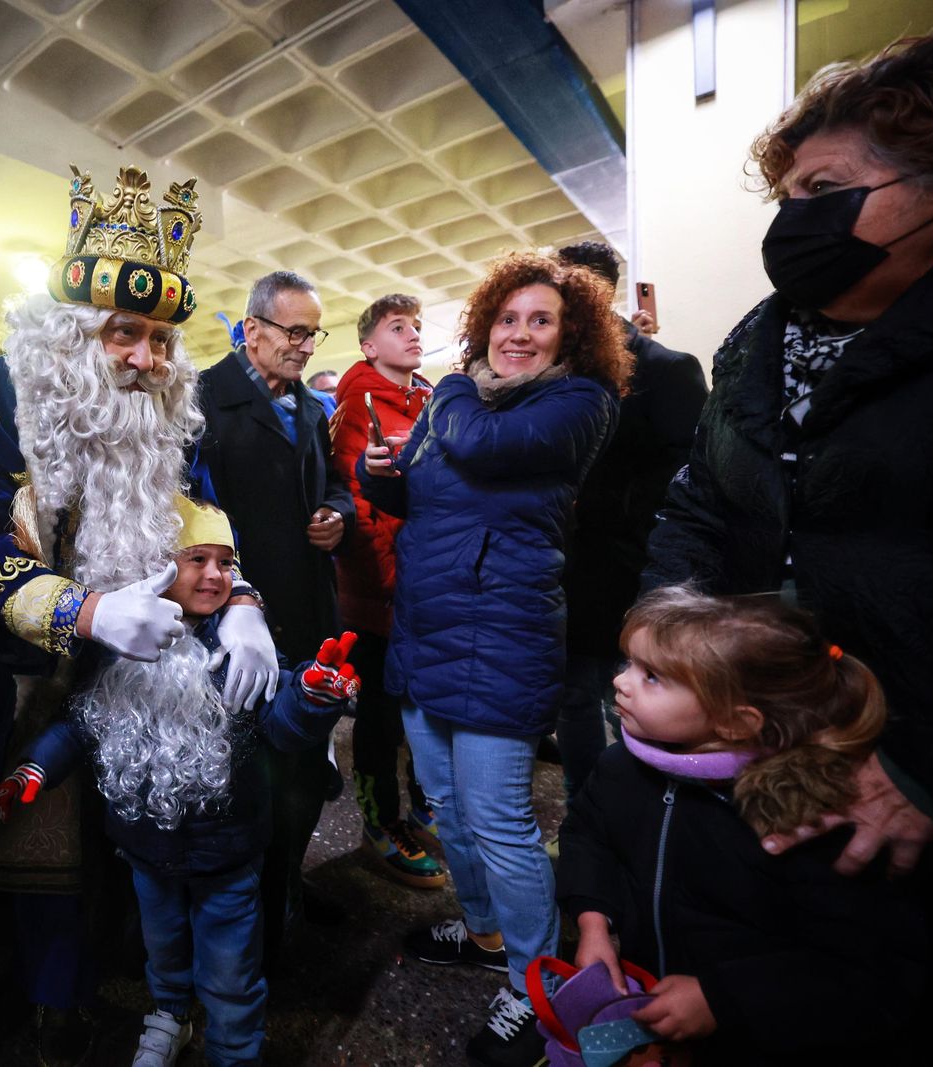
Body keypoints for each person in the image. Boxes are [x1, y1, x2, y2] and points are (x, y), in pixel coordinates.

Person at [0, 162, 278, 1065]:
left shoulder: (170, 414)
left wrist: (238, 600)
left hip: (150, 664)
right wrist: (80, 614)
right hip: (28, 668)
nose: (147, 360)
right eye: (126, 333)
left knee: (155, 834)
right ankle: (52, 1001)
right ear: (73, 331)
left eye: (161, 339)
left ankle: (154, 982)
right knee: (41, 839)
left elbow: (206, 524)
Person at [641, 23, 933, 919]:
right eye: (787, 195)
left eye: (826, 189)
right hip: (770, 735)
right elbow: (700, 498)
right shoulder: (759, 338)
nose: (795, 219)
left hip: (908, 774)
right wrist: (664, 643)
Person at [361, 251, 629, 1067]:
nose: (518, 334)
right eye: (507, 318)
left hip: (502, 635)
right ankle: (482, 932)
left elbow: (475, 448)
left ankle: (531, 980)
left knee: (502, 821)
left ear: (569, 335)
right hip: (430, 623)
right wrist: (383, 479)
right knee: (444, 804)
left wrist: (444, 391)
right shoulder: (467, 401)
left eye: (539, 320)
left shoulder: (578, 400)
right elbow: (428, 485)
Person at [0, 500, 360, 1067]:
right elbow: (81, 724)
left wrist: (311, 697)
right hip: (144, 850)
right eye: (197, 559)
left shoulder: (237, 651)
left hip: (228, 853)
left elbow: (281, 728)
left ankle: (235, 1047)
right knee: (162, 949)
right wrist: (34, 769)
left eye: (226, 564)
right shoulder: (119, 648)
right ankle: (168, 1015)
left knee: (232, 966)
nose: (215, 576)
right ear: (157, 568)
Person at [559, 587, 933, 1064]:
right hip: (652, 1017)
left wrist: (722, 999)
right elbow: (588, 835)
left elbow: (867, 973)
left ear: (735, 722)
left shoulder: (802, 817)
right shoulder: (619, 767)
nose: (620, 682)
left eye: (651, 676)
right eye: (628, 663)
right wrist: (593, 924)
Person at [192, 269, 357, 959]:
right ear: (252, 330)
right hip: (238, 620)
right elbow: (191, 514)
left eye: (313, 333)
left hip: (307, 606)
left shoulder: (311, 408)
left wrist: (337, 518)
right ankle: (247, 921)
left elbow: (338, 487)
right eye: (294, 331)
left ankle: (287, 884)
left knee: (301, 773)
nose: (305, 346)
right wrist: (230, 596)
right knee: (246, 776)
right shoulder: (204, 400)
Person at [552, 242, 708, 798]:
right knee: (573, 705)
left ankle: (642, 827)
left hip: (637, 580)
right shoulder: (556, 373)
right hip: (566, 579)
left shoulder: (668, 370)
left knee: (639, 715)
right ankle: (584, 810)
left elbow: (689, 486)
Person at [328, 294, 443, 889]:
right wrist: (387, 587)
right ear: (370, 345)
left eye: (417, 326)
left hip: (426, 583)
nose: (414, 335)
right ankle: (379, 823)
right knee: (378, 715)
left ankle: (427, 807)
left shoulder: (428, 397)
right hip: (381, 589)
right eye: (398, 327)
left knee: (422, 703)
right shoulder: (359, 402)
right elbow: (361, 506)